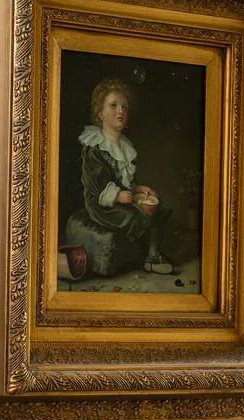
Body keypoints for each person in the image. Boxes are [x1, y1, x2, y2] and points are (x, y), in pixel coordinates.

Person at [66, 78, 173, 277]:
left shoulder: (125, 146)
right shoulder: (95, 147)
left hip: (122, 197)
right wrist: (116, 196)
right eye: (113, 105)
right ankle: (149, 257)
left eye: (124, 106)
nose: (120, 111)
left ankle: (152, 255)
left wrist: (138, 189)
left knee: (162, 207)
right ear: (100, 113)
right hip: (101, 204)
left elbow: (127, 182)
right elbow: (97, 187)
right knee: (135, 216)